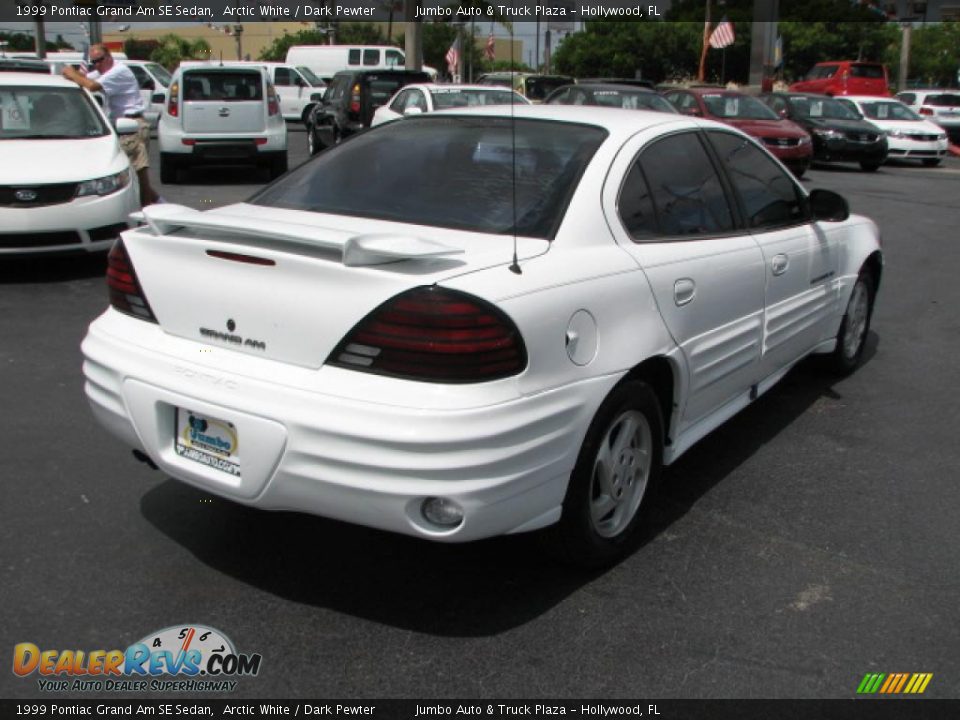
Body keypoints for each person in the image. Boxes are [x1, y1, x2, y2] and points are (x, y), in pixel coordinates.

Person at [62, 45, 160, 206]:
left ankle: (146, 210)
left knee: (132, 175)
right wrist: (74, 74)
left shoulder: (119, 71)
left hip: (131, 125)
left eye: (100, 60)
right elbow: (85, 79)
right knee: (134, 175)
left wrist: (72, 73)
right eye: (94, 62)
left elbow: (92, 86)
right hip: (120, 127)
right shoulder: (105, 72)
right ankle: (159, 205)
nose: (97, 65)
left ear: (109, 57)